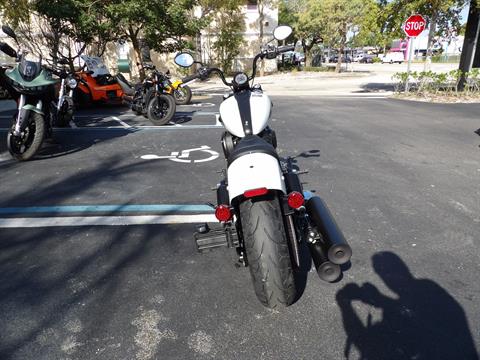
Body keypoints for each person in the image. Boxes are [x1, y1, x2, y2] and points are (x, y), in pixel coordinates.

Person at [336, 252, 478, 360]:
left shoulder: (426, 290)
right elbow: (411, 309)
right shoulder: (427, 288)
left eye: (385, 273)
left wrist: (345, 306)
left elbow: (366, 347)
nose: (386, 279)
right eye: (382, 274)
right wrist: (380, 300)